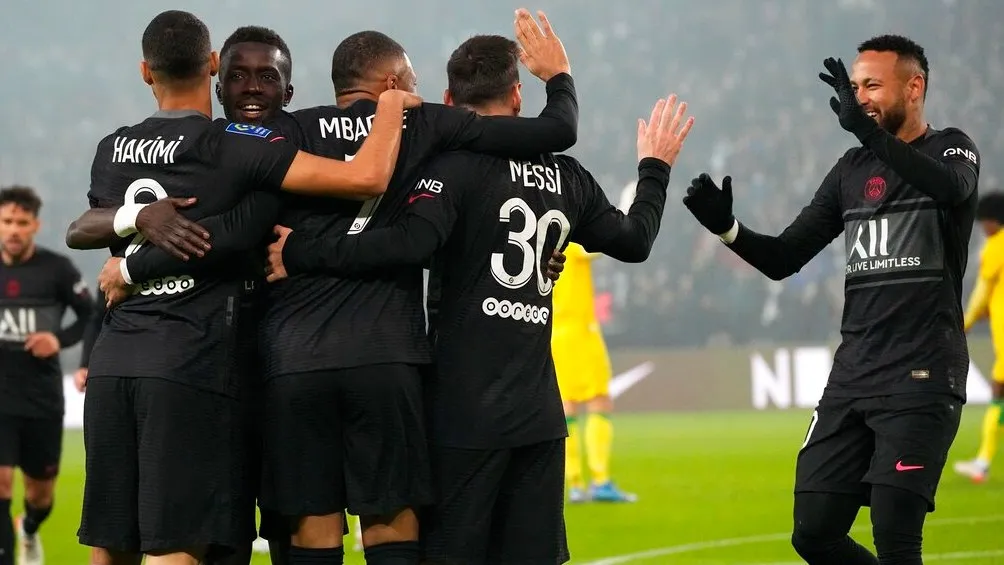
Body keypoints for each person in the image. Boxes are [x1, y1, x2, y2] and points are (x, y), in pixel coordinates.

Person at [79, 11, 574, 565]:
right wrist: (557, 77)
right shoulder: (425, 126)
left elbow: (235, 226)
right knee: (390, 521)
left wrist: (132, 264)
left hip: (289, 360)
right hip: (387, 356)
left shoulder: (285, 132)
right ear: (393, 84)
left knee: (307, 526)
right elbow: (545, 140)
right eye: (408, 82)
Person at [263, 34, 694, 563]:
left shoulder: (450, 168)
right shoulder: (569, 177)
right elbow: (635, 241)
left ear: (448, 101)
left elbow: (409, 243)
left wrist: (303, 250)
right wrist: (654, 168)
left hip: (461, 412)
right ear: (516, 97)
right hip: (538, 416)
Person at [72, 9, 418, 565]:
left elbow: (93, 231)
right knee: (200, 534)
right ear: (213, 71)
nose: (252, 87)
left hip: (265, 367)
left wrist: (133, 264)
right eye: (238, 74)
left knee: (259, 522)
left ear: (291, 88)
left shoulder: (285, 139)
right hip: (204, 368)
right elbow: (228, 230)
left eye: (267, 76)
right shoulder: (231, 146)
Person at [683, 35, 979, 565]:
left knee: (895, 532)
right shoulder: (850, 169)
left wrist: (864, 129)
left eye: (871, 86)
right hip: (853, 376)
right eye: (854, 86)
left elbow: (951, 190)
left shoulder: (952, 148)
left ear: (915, 87)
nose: (858, 97)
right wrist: (727, 229)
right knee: (813, 532)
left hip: (922, 374)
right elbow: (783, 257)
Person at [0, 186, 94, 565]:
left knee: (40, 496)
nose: (14, 229)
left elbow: (88, 315)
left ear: (35, 225)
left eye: (22, 222)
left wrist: (57, 340)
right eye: (7, 221)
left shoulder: (57, 270)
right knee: (2, 485)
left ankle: (30, 527)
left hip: (41, 399)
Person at [552, 242, 636, 504]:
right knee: (600, 400)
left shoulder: (545, 239)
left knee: (568, 406)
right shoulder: (572, 243)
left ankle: (575, 484)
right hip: (580, 332)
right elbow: (603, 243)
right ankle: (600, 481)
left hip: (556, 330)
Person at [953, 192, 1004, 483]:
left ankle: (982, 463)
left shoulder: (996, 247)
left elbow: (982, 292)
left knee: (999, 391)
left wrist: (965, 323)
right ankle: (983, 461)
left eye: (985, 221)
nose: (982, 227)